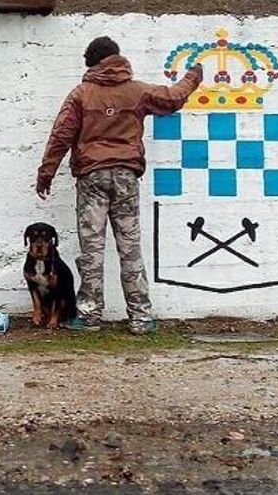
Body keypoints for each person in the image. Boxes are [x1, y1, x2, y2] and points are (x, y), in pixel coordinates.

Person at [36, 36, 203, 334]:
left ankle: (89, 317)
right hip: (126, 177)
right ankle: (140, 317)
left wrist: (46, 173)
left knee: (92, 248)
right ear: (117, 59)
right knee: (130, 247)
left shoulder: (81, 94)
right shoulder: (137, 91)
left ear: (93, 62)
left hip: (92, 178)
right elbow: (173, 97)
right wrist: (192, 76)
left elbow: (61, 136)